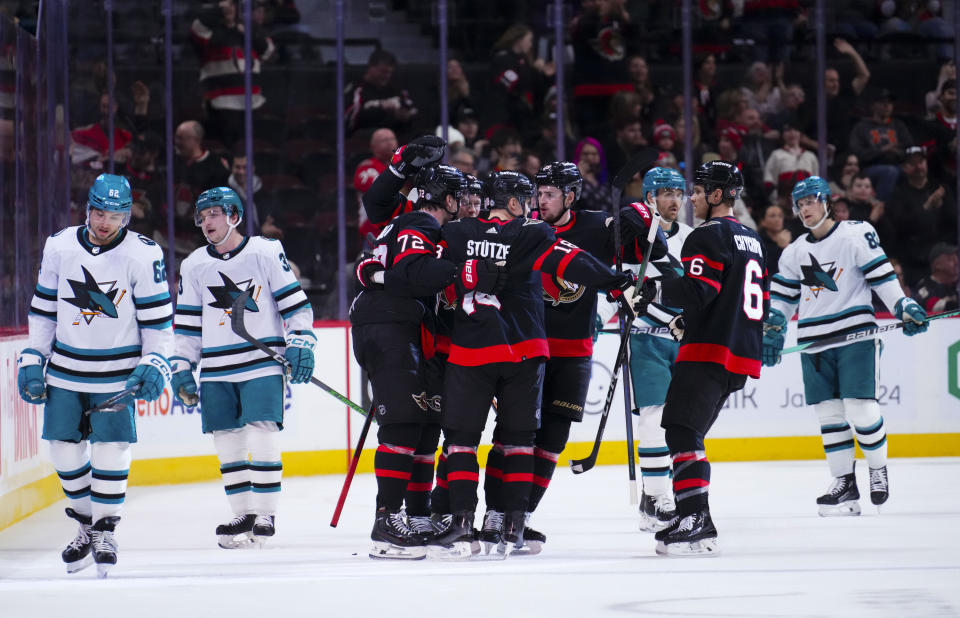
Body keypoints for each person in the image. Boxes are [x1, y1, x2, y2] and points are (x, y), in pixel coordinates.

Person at [428, 171, 642, 559]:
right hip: (522, 351)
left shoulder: (456, 233)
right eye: (528, 198)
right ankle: (511, 524)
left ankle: (461, 525)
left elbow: (431, 275)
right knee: (518, 441)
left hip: (470, 351)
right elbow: (571, 261)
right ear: (514, 203)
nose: (532, 206)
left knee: (461, 440)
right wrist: (614, 280)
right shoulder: (531, 233)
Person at [478, 161, 667, 554]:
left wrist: (637, 214)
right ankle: (495, 514)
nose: (541, 200)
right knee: (514, 435)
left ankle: (521, 517)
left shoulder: (594, 227)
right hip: (528, 350)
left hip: (574, 350)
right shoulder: (523, 231)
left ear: (570, 196)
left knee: (553, 440)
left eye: (550, 194)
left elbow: (653, 249)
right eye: (538, 193)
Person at [17, 173, 173, 577]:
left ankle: (105, 530)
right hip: (67, 370)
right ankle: (87, 525)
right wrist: (33, 357)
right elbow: (44, 310)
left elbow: (159, 324)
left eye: (115, 216)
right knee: (64, 451)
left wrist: (155, 362)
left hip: (117, 373)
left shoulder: (143, 254)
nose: (105, 223)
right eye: (99, 213)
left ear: (127, 217)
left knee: (110, 447)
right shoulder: (60, 246)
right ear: (88, 209)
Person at [352, 163, 506, 559]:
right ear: (448, 198)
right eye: (462, 199)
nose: (467, 207)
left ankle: (417, 515)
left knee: (422, 426)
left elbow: (390, 269)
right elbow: (413, 271)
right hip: (390, 327)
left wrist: (376, 272)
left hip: (403, 328)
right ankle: (385, 522)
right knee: (404, 423)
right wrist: (464, 271)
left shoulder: (416, 225)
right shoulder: (420, 222)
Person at [763, 176, 928, 518]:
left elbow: (881, 275)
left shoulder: (855, 233)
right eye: (800, 204)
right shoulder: (794, 252)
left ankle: (877, 469)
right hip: (813, 340)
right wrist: (774, 329)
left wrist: (903, 306)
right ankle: (843, 484)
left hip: (855, 334)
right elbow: (782, 298)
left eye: (810, 201)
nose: (805, 209)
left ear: (827, 201)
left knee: (861, 409)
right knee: (829, 415)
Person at [170, 186, 315, 549]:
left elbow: (295, 306)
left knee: (263, 430)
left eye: (214, 214)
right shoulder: (193, 266)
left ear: (234, 215)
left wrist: (301, 340)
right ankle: (243, 513)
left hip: (261, 363)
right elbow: (187, 326)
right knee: (227, 439)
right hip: (217, 369)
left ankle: (265, 512)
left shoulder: (265, 251)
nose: (207, 223)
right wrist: (183, 365)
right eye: (201, 218)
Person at [640, 161, 769, 556]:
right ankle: (690, 514)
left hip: (708, 350)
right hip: (738, 352)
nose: (691, 197)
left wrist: (651, 293)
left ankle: (696, 519)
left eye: (698, 191)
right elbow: (740, 298)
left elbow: (700, 290)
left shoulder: (705, 236)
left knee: (680, 431)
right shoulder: (751, 238)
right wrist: (685, 320)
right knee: (687, 432)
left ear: (716, 195)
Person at [600, 167, 690, 532]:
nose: (673, 200)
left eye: (678, 193)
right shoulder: (633, 238)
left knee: (684, 423)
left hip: (686, 342)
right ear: (649, 197)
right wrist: (596, 319)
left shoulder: (693, 237)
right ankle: (656, 496)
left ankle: (664, 493)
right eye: (665, 192)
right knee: (654, 419)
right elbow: (615, 288)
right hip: (647, 338)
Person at [190, 0, 275, 147]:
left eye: (233, 5)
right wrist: (218, 10)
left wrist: (249, 31)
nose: (229, 9)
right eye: (226, 6)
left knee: (250, 150)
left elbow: (268, 51)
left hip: (252, 104)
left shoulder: (249, 31)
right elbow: (197, 28)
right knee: (227, 148)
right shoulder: (211, 33)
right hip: (222, 105)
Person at [344, 49, 418, 137]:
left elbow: (413, 111)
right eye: (383, 72)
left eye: (389, 72)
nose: (386, 76)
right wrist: (381, 109)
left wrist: (406, 116)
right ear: (371, 67)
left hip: (397, 137)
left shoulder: (396, 89)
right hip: (365, 138)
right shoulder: (357, 89)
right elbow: (349, 120)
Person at [912, 243, 959, 313]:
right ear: (937, 265)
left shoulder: (956, 286)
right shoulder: (926, 286)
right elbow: (930, 305)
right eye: (950, 259)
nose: (956, 262)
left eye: (956, 258)